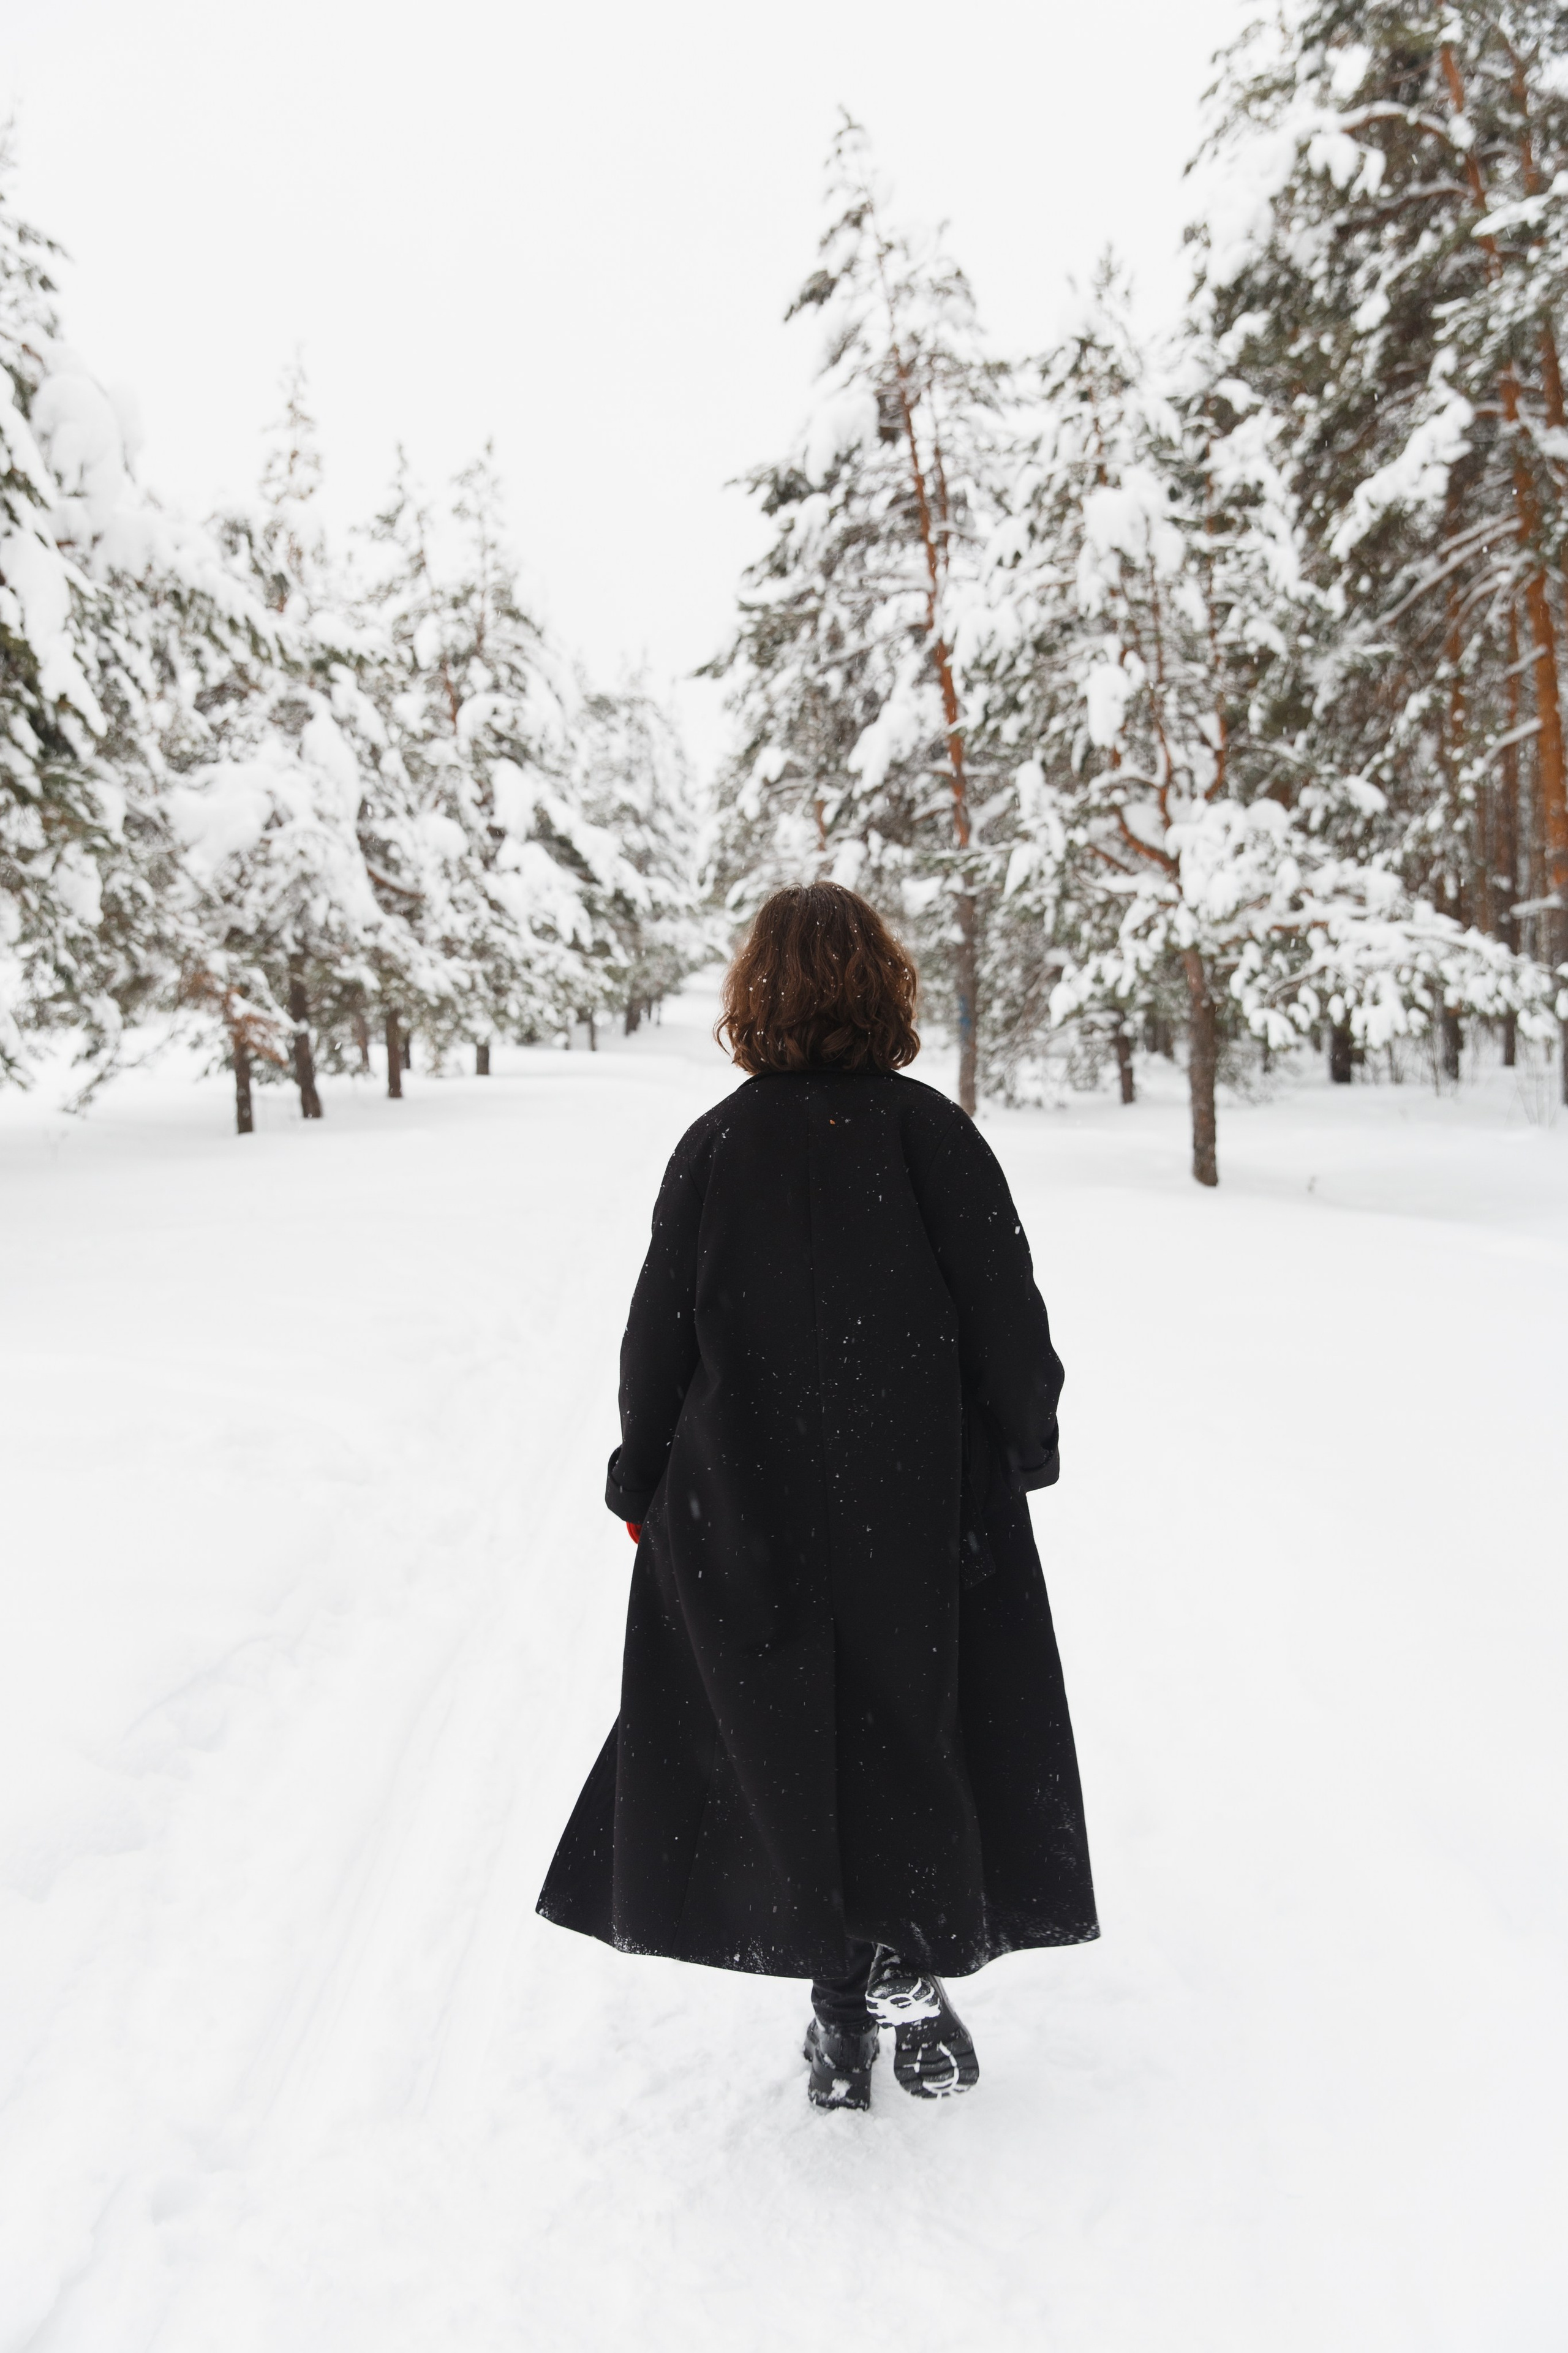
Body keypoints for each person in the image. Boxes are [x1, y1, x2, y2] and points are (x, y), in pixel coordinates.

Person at [537, 882, 1097, 2110]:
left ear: (756, 999)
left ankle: (843, 2013)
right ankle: (881, 1975)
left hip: (741, 1506)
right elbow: (1007, 1316)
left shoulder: (717, 1145)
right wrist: (1021, 1445)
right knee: (908, 1737)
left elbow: (657, 1341)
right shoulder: (931, 1136)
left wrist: (641, 1480)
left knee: (778, 1748)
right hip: (917, 1506)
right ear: (881, 987)